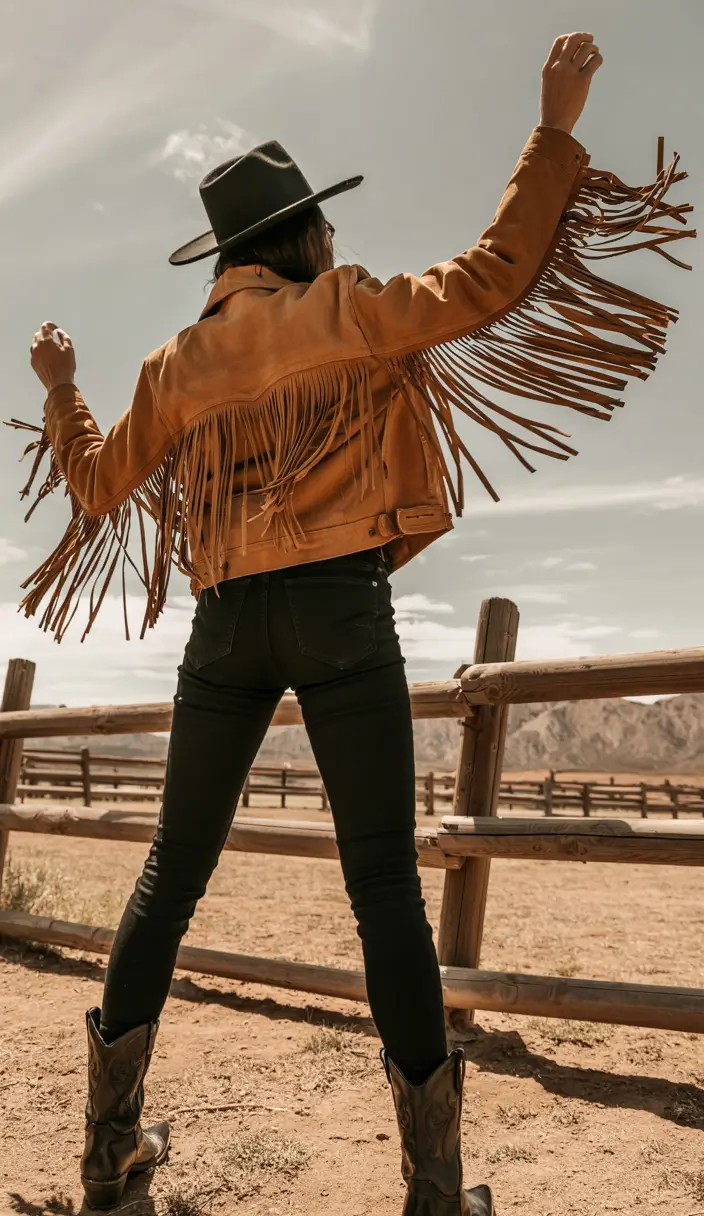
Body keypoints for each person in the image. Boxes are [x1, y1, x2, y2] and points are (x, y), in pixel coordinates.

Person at [19, 31, 693, 1216]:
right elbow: (493, 273)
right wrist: (550, 124)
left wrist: (63, 389)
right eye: (319, 224)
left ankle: (105, 1158)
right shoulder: (345, 307)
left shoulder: (176, 363)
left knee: (169, 876)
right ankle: (434, 1187)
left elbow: (95, 487)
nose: (330, 238)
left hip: (224, 627)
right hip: (341, 611)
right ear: (299, 236)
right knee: (381, 884)